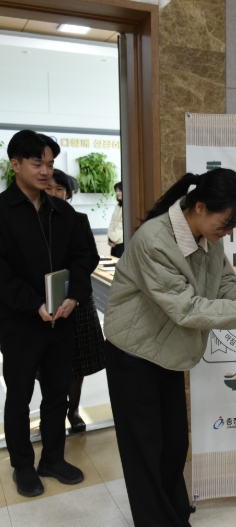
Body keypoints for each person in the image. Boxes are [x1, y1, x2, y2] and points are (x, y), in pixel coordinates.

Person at [103, 170, 236, 527]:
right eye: (226, 222)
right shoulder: (154, 241)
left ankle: (176, 517)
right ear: (201, 207)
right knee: (145, 451)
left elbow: (225, 288)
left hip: (168, 352)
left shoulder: (208, 237)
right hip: (133, 354)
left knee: (174, 444)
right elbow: (187, 309)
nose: (229, 232)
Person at [0, 130, 91, 497]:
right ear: (15, 164)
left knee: (57, 394)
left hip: (61, 319)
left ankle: (52, 458)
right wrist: (32, 303)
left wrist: (75, 297)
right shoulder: (2, 211)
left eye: (50, 164)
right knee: (19, 396)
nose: (45, 171)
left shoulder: (61, 211)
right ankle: (22, 464)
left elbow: (83, 258)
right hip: (20, 322)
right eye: (37, 163)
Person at [46, 169, 106, 433]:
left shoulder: (79, 220)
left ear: (68, 193)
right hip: (45, 301)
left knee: (77, 360)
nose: (53, 193)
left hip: (76, 299)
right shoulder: (33, 220)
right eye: (48, 188)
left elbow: (91, 257)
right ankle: (53, 411)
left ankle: (73, 410)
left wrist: (72, 282)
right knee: (47, 361)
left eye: (59, 189)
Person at [107, 181, 123, 258]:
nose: (117, 193)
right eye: (116, 191)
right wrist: (109, 238)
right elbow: (112, 223)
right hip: (114, 243)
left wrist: (112, 238)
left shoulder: (127, 206)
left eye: (120, 191)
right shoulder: (117, 206)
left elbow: (121, 226)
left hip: (121, 243)